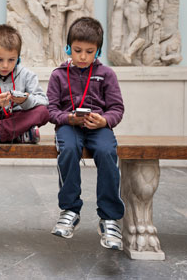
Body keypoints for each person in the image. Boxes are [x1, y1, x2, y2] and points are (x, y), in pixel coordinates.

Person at [47, 17, 125, 250]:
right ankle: (70, 210)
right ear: (68, 48)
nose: (82, 56)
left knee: (106, 151)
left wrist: (104, 121)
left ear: (98, 50)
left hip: (98, 127)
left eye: (89, 51)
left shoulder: (107, 74)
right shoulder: (58, 75)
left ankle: (109, 218)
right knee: (68, 149)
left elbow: (117, 109)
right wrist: (67, 118)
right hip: (69, 126)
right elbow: (51, 110)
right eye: (77, 50)